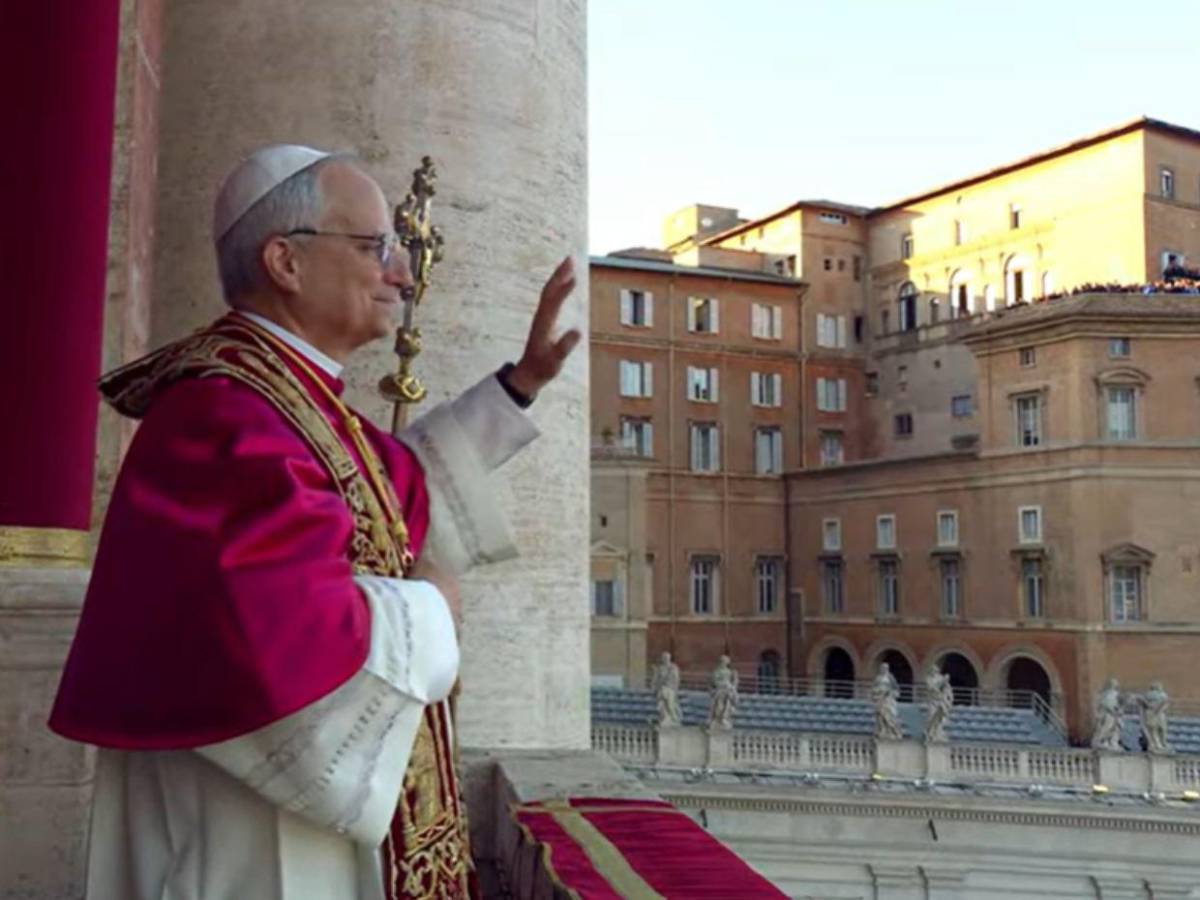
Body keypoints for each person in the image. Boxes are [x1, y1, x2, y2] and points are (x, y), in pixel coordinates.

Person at [48, 145, 580, 900]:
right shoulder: (223, 413)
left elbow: (396, 484)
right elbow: (272, 634)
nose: (402, 271)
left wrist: (518, 387)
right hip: (246, 833)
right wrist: (432, 613)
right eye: (375, 247)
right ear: (285, 263)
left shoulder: (286, 397)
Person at [652, 651, 683, 727]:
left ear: (669, 658)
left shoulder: (673, 667)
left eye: (666, 658)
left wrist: (674, 689)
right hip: (662, 689)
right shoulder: (660, 668)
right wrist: (655, 687)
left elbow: (676, 679)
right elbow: (656, 679)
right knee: (661, 704)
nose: (665, 659)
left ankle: (673, 718)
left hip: (670, 689)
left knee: (670, 705)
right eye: (664, 658)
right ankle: (664, 718)